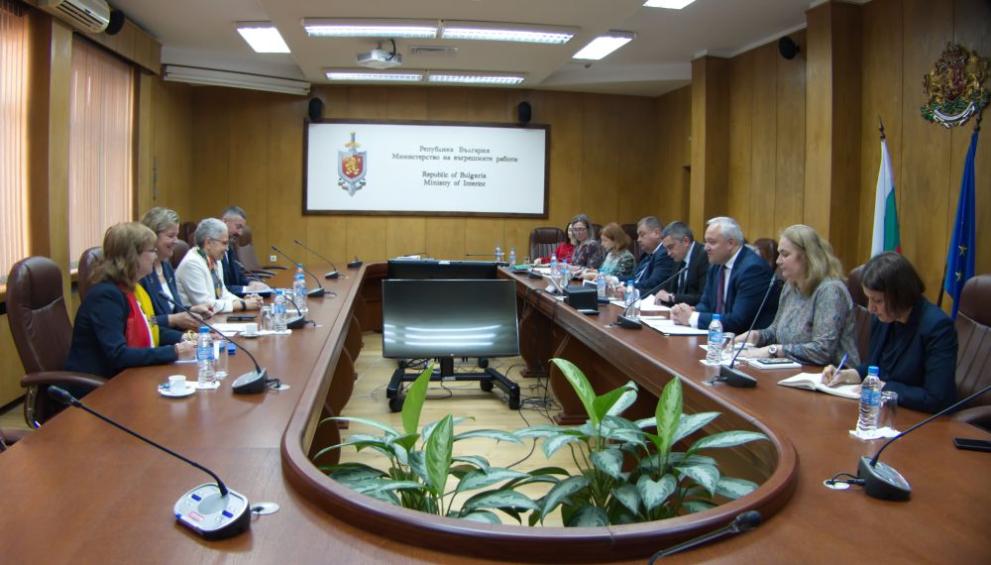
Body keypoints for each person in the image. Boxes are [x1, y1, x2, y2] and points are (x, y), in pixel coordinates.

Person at [823, 252, 957, 413]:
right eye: (868, 299)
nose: (870, 308)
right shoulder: (884, 318)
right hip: (885, 411)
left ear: (900, 295)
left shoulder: (937, 327)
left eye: (877, 301)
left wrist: (885, 387)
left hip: (920, 417)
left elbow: (937, 398)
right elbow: (876, 368)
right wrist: (847, 375)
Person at [65, 223, 193, 378]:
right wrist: (174, 351)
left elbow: (149, 328)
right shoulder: (106, 296)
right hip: (102, 384)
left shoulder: (133, 289)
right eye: (152, 250)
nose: (155, 256)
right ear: (132, 256)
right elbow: (118, 354)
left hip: (129, 376)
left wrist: (187, 338)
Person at [736, 225, 859, 366]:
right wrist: (754, 336)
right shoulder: (790, 286)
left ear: (807, 256)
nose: (778, 261)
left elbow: (823, 351)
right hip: (793, 369)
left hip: (831, 374)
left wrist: (773, 350)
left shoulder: (830, 290)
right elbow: (776, 331)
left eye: (785, 254)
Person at [670, 216, 779, 334]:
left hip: (745, 339)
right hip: (720, 336)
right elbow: (706, 304)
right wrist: (689, 311)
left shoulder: (752, 269)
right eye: (706, 242)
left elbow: (738, 321)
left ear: (730, 243)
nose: (706, 247)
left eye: (712, 242)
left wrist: (692, 317)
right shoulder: (717, 265)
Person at [138, 207, 212, 331]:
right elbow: (146, 322)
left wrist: (191, 310)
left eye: (177, 235)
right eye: (171, 236)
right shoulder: (141, 273)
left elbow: (172, 310)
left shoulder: (166, 266)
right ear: (152, 236)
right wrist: (174, 321)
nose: (176, 241)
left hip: (178, 336)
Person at [176, 218, 263, 313]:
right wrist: (243, 304)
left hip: (214, 318)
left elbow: (223, 294)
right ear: (208, 243)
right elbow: (206, 304)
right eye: (224, 243)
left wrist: (244, 301)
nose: (227, 248)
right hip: (198, 320)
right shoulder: (192, 264)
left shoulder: (215, 260)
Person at [651, 221, 708, 306]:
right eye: (666, 249)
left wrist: (672, 297)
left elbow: (703, 298)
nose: (668, 253)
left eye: (671, 247)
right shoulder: (679, 258)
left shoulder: (704, 256)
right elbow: (669, 289)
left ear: (686, 241)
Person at [220, 206, 268, 296]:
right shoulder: (214, 252)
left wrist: (251, 283)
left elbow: (237, 276)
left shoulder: (229, 247)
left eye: (242, 228)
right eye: (238, 227)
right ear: (225, 222)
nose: (240, 233)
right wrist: (246, 289)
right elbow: (219, 289)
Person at [632, 216, 676, 293]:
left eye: (642, 235)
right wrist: (617, 281)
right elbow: (635, 277)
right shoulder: (648, 255)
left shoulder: (665, 253)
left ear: (657, 233)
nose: (638, 240)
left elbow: (654, 283)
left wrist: (629, 287)